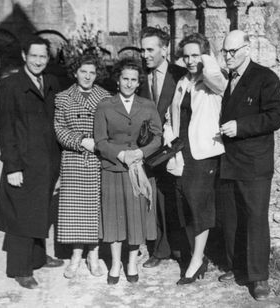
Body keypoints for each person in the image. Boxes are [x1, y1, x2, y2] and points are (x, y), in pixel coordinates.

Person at [218, 30, 280, 300]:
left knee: (255, 219)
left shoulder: (264, 77)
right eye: (225, 51)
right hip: (230, 160)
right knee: (232, 218)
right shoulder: (228, 80)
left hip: (255, 163)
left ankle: (259, 278)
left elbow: (276, 117)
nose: (228, 56)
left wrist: (241, 126)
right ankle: (238, 268)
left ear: (247, 49)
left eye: (233, 51)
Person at [0, 36, 64, 289]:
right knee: (20, 214)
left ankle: (37, 257)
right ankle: (20, 268)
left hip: (47, 162)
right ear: (24, 56)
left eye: (43, 56)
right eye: (33, 55)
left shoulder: (52, 82)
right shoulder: (10, 86)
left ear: (48, 59)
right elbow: (5, 129)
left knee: (40, 210)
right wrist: (11, 166)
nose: (38, 61)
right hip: (22, 164)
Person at [163, 33, 227, 284]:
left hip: (204, 153)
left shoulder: (213, 80)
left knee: (199, 205)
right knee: (185, 205)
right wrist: (170, 139)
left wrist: (206, 57)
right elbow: (171, 116)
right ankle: (195, 253)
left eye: (195, 55)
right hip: (182, 152)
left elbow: (216, 78)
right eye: (186, 56)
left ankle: (197, 260)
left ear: (205, 55)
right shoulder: (182, 82)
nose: (190, 60)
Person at [94, 58, 162, 284]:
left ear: (138, 82)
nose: (129, 84)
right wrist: (121, 155)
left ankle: (132, 262)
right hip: (113, 169)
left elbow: (158, 137)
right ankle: (115, 263)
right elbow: (100, 141)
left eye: (134, 80)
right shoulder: (105, 105)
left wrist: (141, 153)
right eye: (125, 79)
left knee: (135, 218)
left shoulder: (147, 105)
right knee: (114, 218)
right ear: (118, 80)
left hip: (139, 169)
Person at [54, 55, 111, 279]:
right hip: (74, 159)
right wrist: (80, 141)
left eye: (92, 72)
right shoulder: (63, 97)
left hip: (98, 158)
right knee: (75, 209)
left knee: (95, 208)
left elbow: (111, 126)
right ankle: (76, 255)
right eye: (83, 71)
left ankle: (93, 254)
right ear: (75, 72)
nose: (87, 76)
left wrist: (99, 142)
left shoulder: (105, 97)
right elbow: (58, 128)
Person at [139, 26, 188, 268]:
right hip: (149, 149)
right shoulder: (138, 76)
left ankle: (180, 248)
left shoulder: (181, 74)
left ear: (164, 49)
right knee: (156, 198)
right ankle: (160, 250)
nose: (145, 54)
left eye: (150, 49)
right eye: (143, 50)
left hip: (175, 148)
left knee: (177, 197)